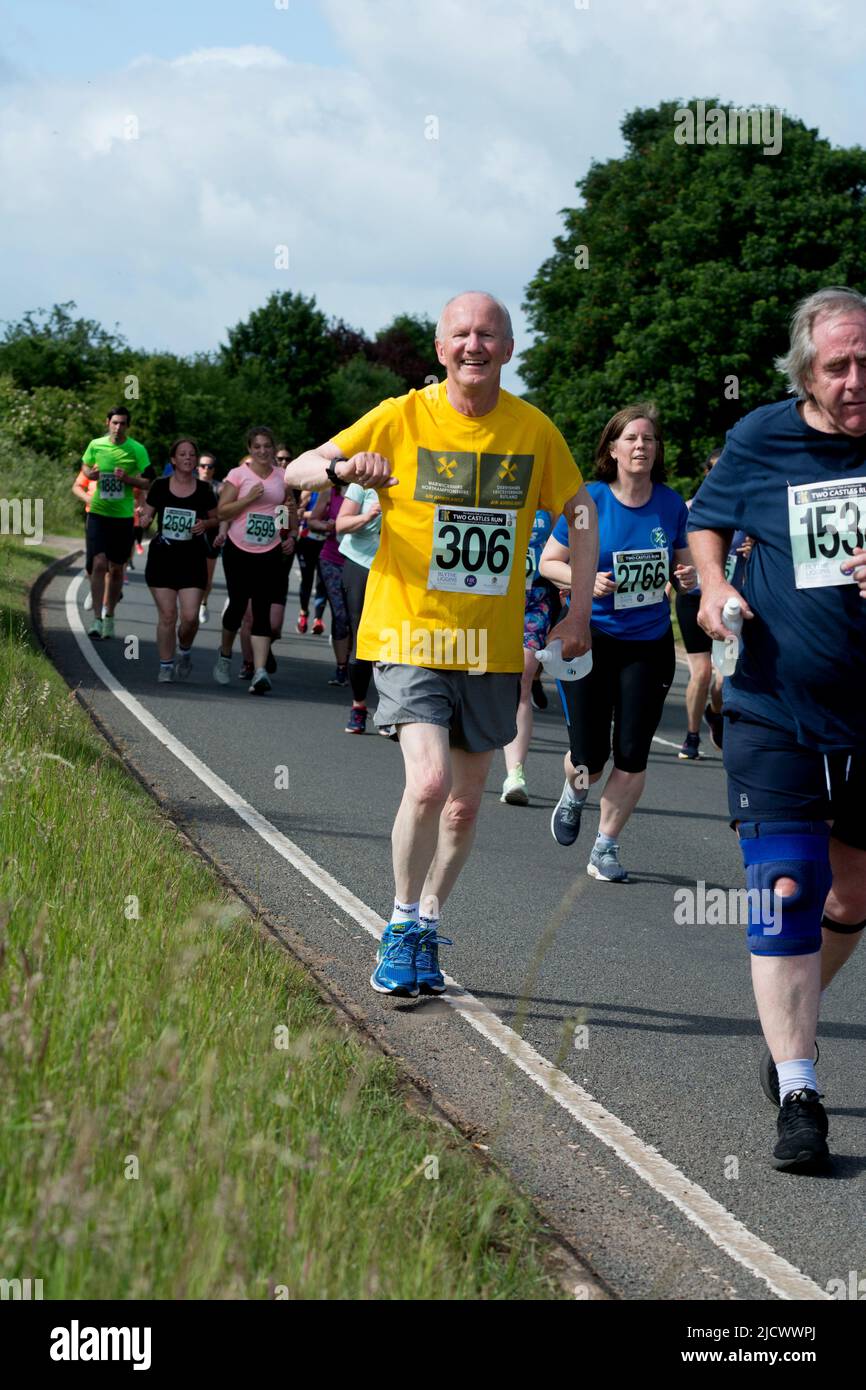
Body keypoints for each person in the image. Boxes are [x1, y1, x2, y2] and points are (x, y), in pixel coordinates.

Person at [284, 290, 597, 998]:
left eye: (488, 335)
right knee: (427, 784)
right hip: (408, 632)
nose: (474, 345)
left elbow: (580, 513)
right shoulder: (401, 415)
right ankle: (397, 924)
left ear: (509, 350)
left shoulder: (534, 431)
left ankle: (428, 922)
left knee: (464, 804)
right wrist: (342, 472)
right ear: (440, 348)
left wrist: (576, 611)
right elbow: (299, 469)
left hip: (487, 647)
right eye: (461, 334)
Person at [689, 285, 866, 1174]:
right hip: (772, 702)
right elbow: (705, 522)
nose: (856, 379)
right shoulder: (762, 438)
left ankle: (781, 1032)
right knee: (787, 889)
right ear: (806, 371)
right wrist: (714, 589)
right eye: (839, 364)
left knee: (850, 899)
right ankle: (800, 1090)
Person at [540, 404, 696, 882]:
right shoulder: (589, 501)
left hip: (649, 644)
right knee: (588, 755)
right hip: (592, 636)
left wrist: (687, 577)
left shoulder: (671, 504)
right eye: (631, 439)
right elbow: (550, 562)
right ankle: (575, 791)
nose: (641, 447)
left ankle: (605, 847)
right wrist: (588, 581)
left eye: (649, 439)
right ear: (612, 448)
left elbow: (686, 571)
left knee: (632, 751)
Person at [674, 448, 752, 759]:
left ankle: (714, 712)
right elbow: (673, 554)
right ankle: (691, 737)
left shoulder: (750, 514)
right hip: (694, 601)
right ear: (706, 474)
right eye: (715, 470)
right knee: (702, 672)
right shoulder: (689, 511)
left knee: (725, 677)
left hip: (732, 606)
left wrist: (754, 547)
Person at [214, 426, 296, 694]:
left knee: (261, 609)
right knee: (238, 605)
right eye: (257, 446)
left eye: (267, 446)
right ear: (249, 449)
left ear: (273, 449)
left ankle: (260, 672)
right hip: (238, 548)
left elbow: (285, 507)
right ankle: (225, 654)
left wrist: (287, 534)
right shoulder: (238, 475)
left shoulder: (282, 476)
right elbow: (223, 510)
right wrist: (248, 498)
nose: (263, 451)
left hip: (269, 549)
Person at [138, 437, 219, 681]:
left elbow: (216, 518)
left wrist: (205, 523)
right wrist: (143, 520)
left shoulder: (205, 490)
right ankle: (165, 665)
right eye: (182, 454)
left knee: (191, 617)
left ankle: (184, 649)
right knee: (168, 615)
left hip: (193, 558)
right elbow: (148, 516)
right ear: (173, 459)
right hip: (163, 557)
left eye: (192, 455)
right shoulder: (160, 486)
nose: (188, 458)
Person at [79, 407, 152, 639]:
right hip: (98, 513)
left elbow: (150, 481)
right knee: (99, 564)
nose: (118, 427)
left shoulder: (137, 449)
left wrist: (128, 479)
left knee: (116, 569)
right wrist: (90, 474)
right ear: (107, 422)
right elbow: (85, 466)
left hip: (122, 518)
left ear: (127, 426)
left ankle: (110, 616)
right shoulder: (96, 444)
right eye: (115, 423)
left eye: (123, 424)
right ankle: (97, 620)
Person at [500, 507, 556, 804]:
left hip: (533, 598)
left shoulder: (551, 498)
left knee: (521, 681)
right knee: (474, 678)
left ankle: (515, 774)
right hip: (486, 596)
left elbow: (569, 542)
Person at [334, 480, 382, 731]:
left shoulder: (419, 474)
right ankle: (359, 705)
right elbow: (341, 524)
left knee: (395, 639)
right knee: (363, 637)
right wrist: (368, 515)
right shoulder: (364, 481)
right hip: (361, 564)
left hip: (400, 570)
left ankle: (389, 710)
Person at [308, 485, 351, 685]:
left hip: (363, 562)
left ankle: (356, 663)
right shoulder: (330, 492)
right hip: (332, 559)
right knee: (340, 614)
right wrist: (327, 526)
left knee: (356, 617)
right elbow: (313, 520)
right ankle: (342, 667)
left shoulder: (370, 492)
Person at [295, 489, 329, 634]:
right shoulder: (310, 489)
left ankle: (318, 619)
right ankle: (303, 613)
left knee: (322, 581)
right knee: (307, 580)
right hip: (307, 541)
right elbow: (298, 512)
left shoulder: (336, 490)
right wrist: (311, 513)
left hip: (326, 542)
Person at [196, 451, 224, 624]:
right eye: (203, 466)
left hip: (210, 535)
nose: (206, 469)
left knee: (207, 576)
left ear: (214, 470)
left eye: (210, 466)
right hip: (190, 534)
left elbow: (223, 513)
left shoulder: (219, 488)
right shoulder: (188, 485)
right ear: (197, 468)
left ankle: (203, 603)